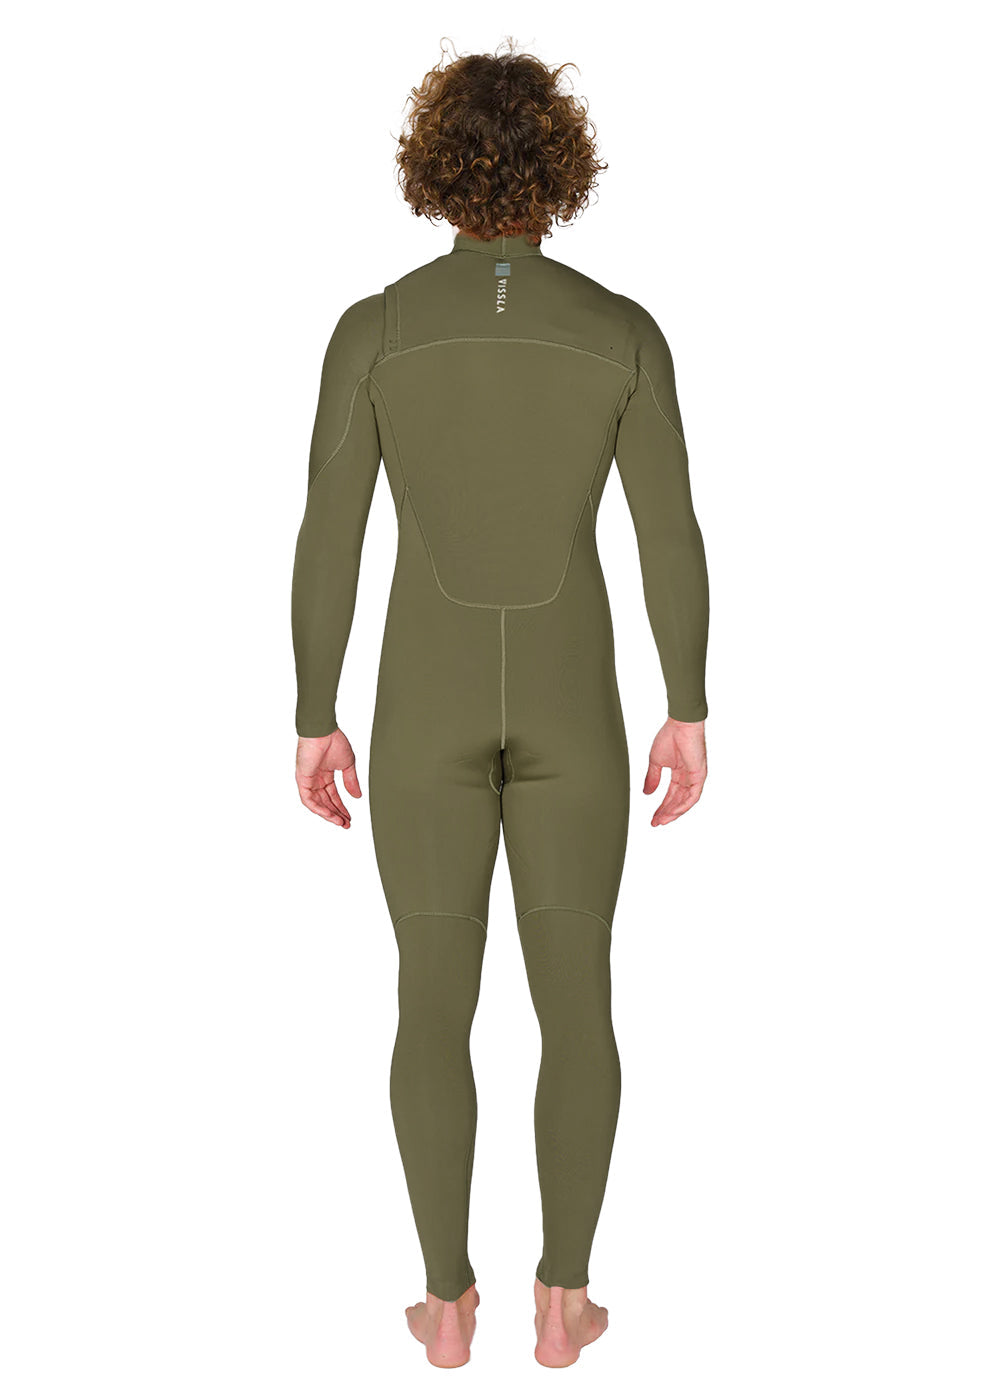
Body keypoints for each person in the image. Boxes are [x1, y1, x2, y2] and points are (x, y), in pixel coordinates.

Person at [291, 44, 709, 1369]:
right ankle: (564, 1300)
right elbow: (669, 534)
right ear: (560, 168)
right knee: (579, 1000)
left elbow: (330, 536)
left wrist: (314, 710)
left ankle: (445, 1304)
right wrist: (688, 704)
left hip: (422, 705)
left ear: (435, 166)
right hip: (579, 709)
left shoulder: (376, 331)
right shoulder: (621, 332)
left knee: (431, 999)